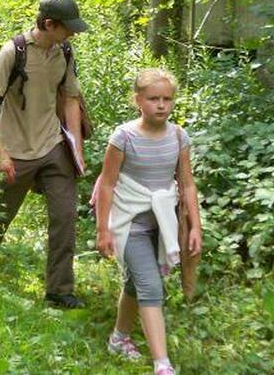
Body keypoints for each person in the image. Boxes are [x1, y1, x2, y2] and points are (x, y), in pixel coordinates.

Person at [0, 0, 88, 308]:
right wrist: (0, 153)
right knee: (0, 215)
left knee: (65, 216)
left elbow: (70, 99)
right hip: (15, 149)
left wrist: (76, 148)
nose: (73, 33)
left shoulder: (64, 51)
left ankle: (59, 290)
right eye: (68, 28)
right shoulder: (14, 51)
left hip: (53, 146)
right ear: (49, 24)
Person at [95, 68, 202, 375]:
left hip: (164, 224)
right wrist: (103, 230)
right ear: (138, 99)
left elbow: (187, 184)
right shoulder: (124, 137)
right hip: (129, 223)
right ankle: (162, 364)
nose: (161, 105)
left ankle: (119, 338)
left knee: (135, 282)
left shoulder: (179, 137)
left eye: (167, 99)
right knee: (151, 287)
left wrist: (194, 227)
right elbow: (107, 184)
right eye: (153, 98)